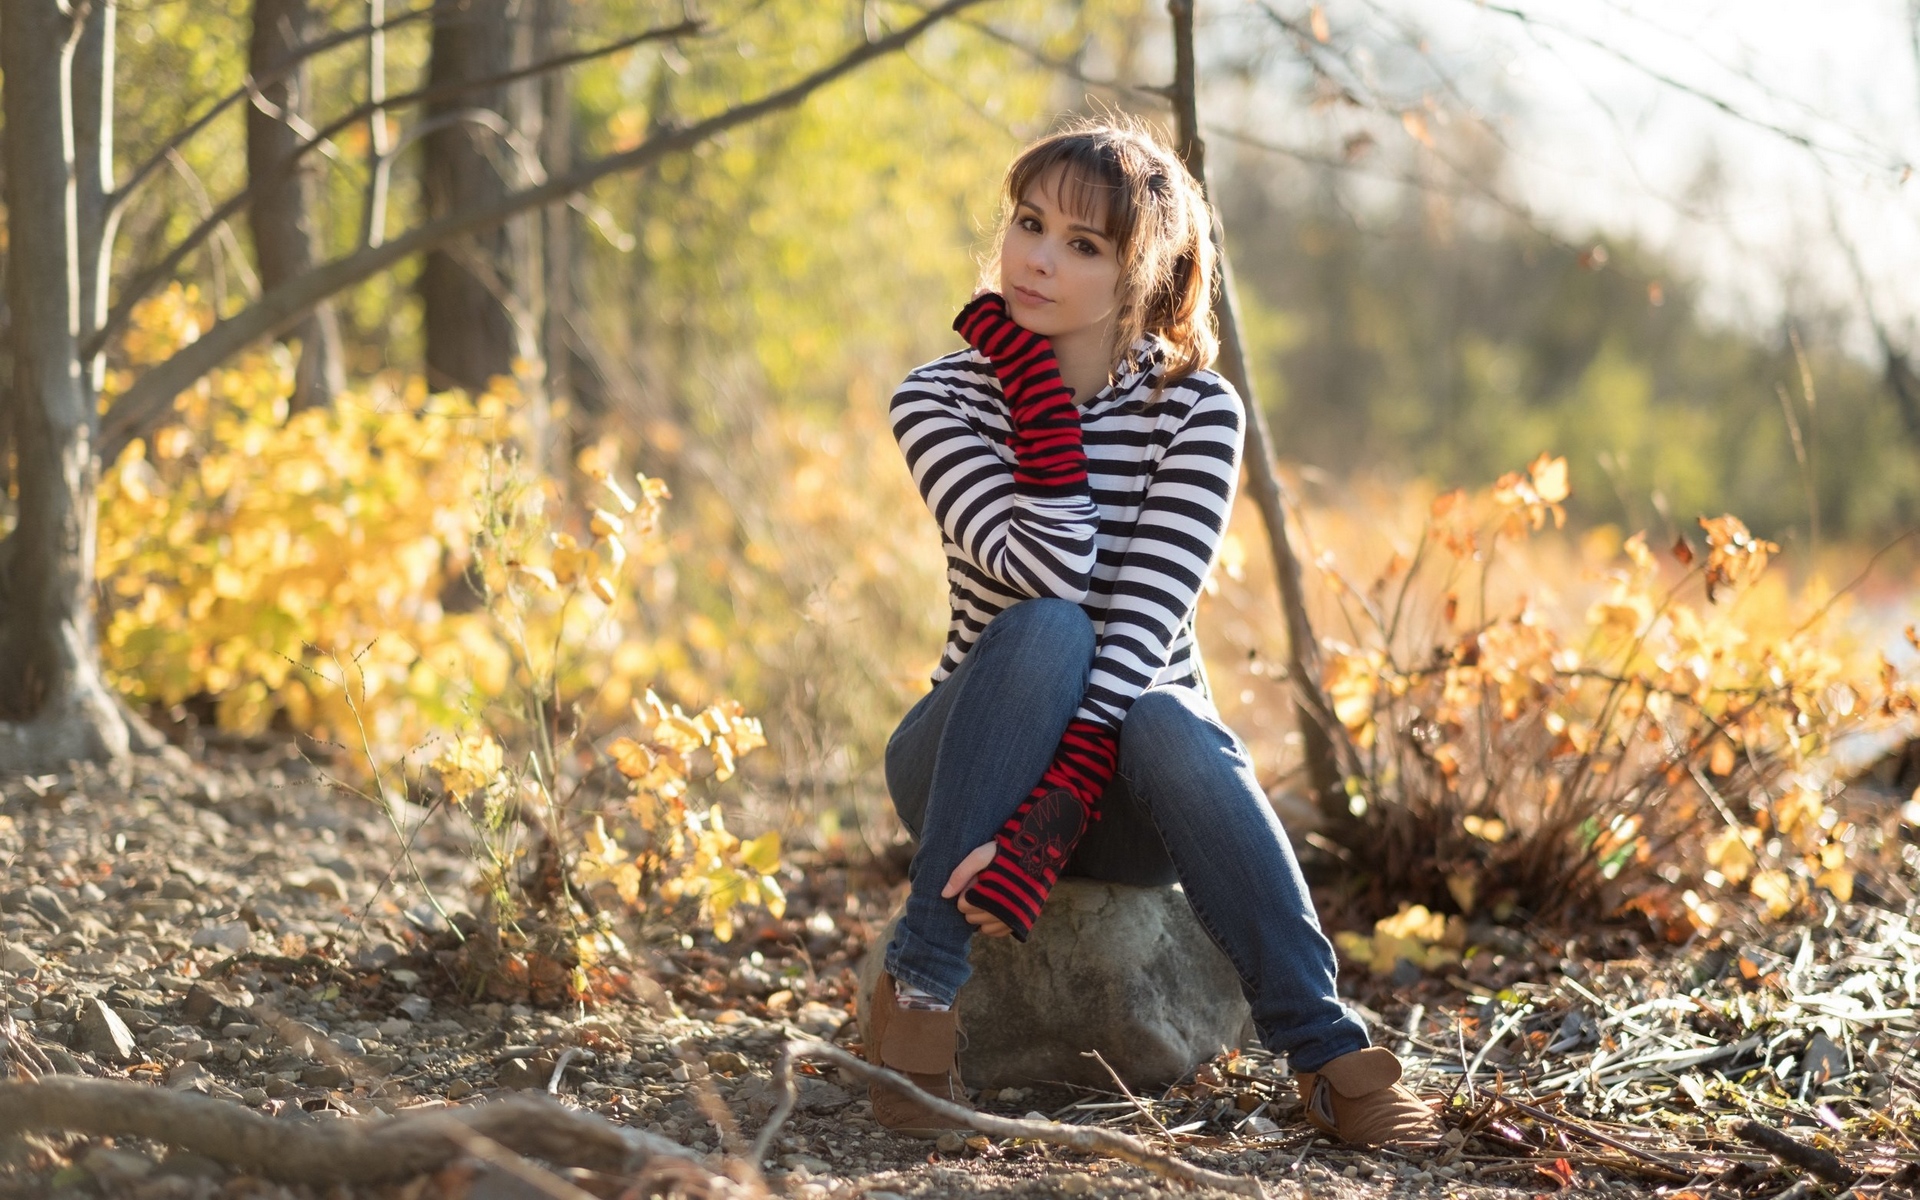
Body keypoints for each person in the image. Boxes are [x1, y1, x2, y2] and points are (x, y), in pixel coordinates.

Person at [867, 117, 1439, 1149]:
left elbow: (1139, 633)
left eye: (1083, 244)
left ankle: (1328, 1054)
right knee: (1047, 628)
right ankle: (917, 996)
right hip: (964, 761)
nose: (1038, 259)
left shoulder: (1197, 413)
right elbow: (1050, 574)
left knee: (1169, 713)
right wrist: (1036, 394)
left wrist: (1046, 825)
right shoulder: (938, 398)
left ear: (1145, 273)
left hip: (1126, 788)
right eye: (1029, 224)